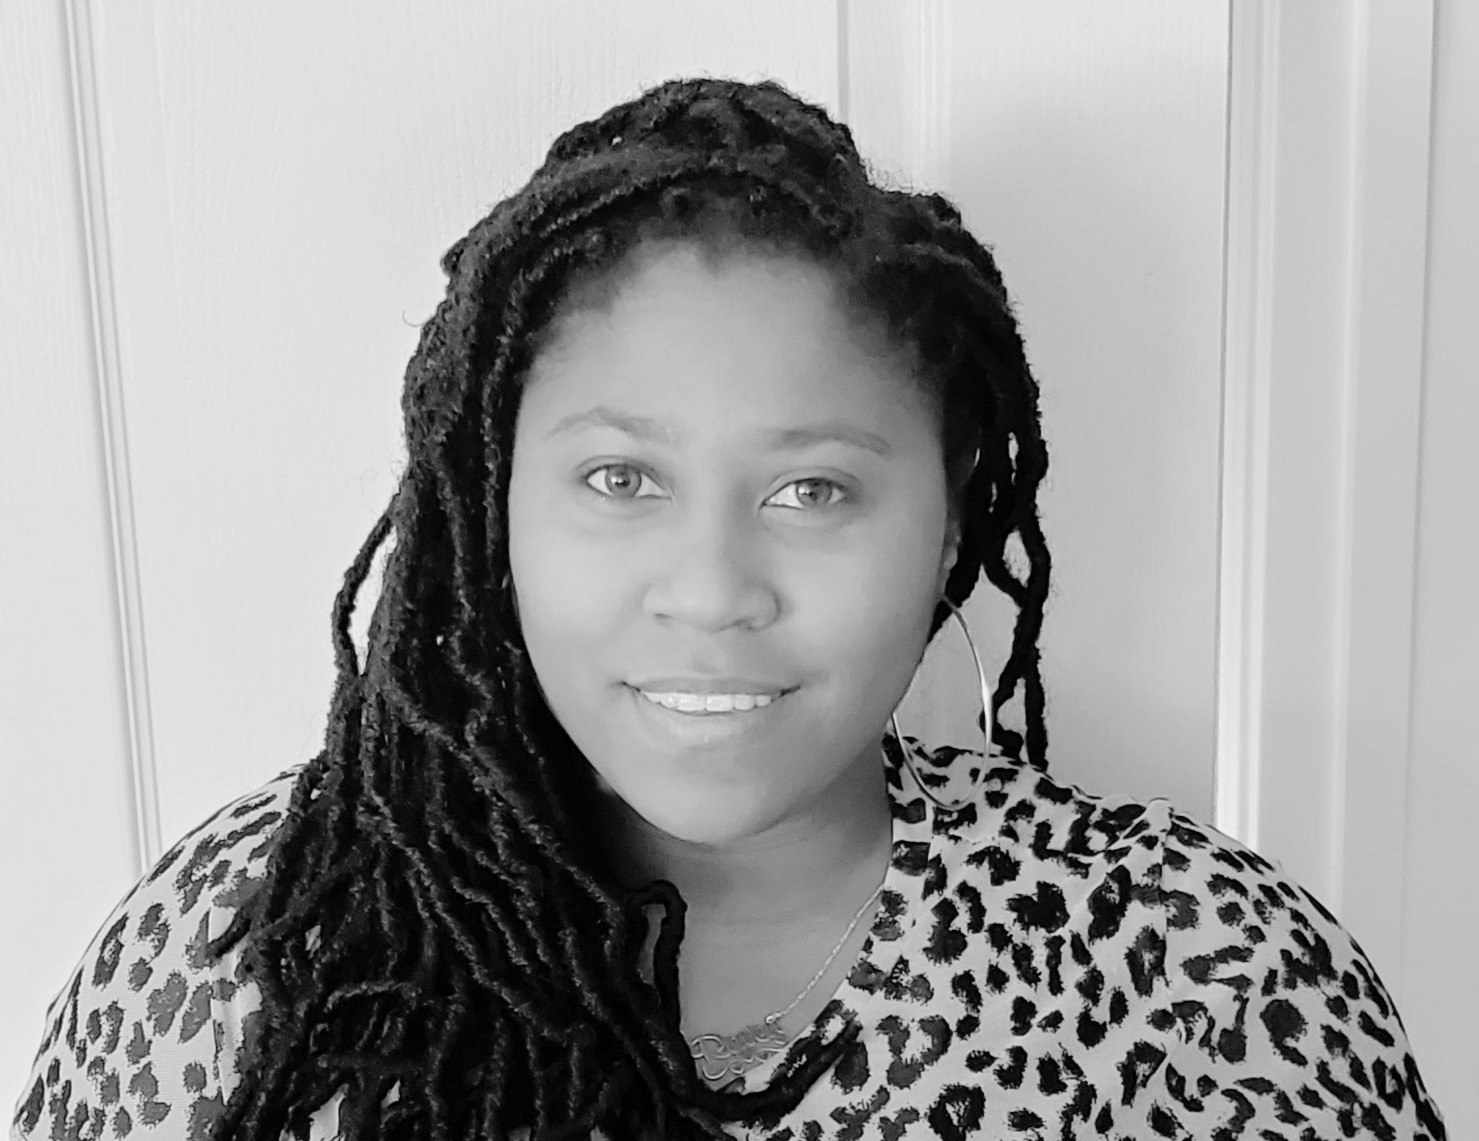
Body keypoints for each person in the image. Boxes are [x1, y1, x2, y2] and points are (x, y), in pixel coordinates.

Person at [11, 77, 1446, 1141]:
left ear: (951, 520)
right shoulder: (242, 951)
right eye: (621, 476)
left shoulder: (1203, 983)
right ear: (487, 502)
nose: (710, 590)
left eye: (813, 490)